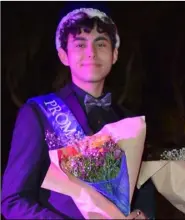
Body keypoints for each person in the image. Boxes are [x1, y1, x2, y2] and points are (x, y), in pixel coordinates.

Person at [1, 8, 155, 219]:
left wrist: (143, 213)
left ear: (114, 54)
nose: (91, 52)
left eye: (101, 43)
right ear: (64, 55)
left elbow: (143, 188)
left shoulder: (129, 120)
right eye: (80, 44)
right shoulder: (39, 112)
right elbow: (13, 200)